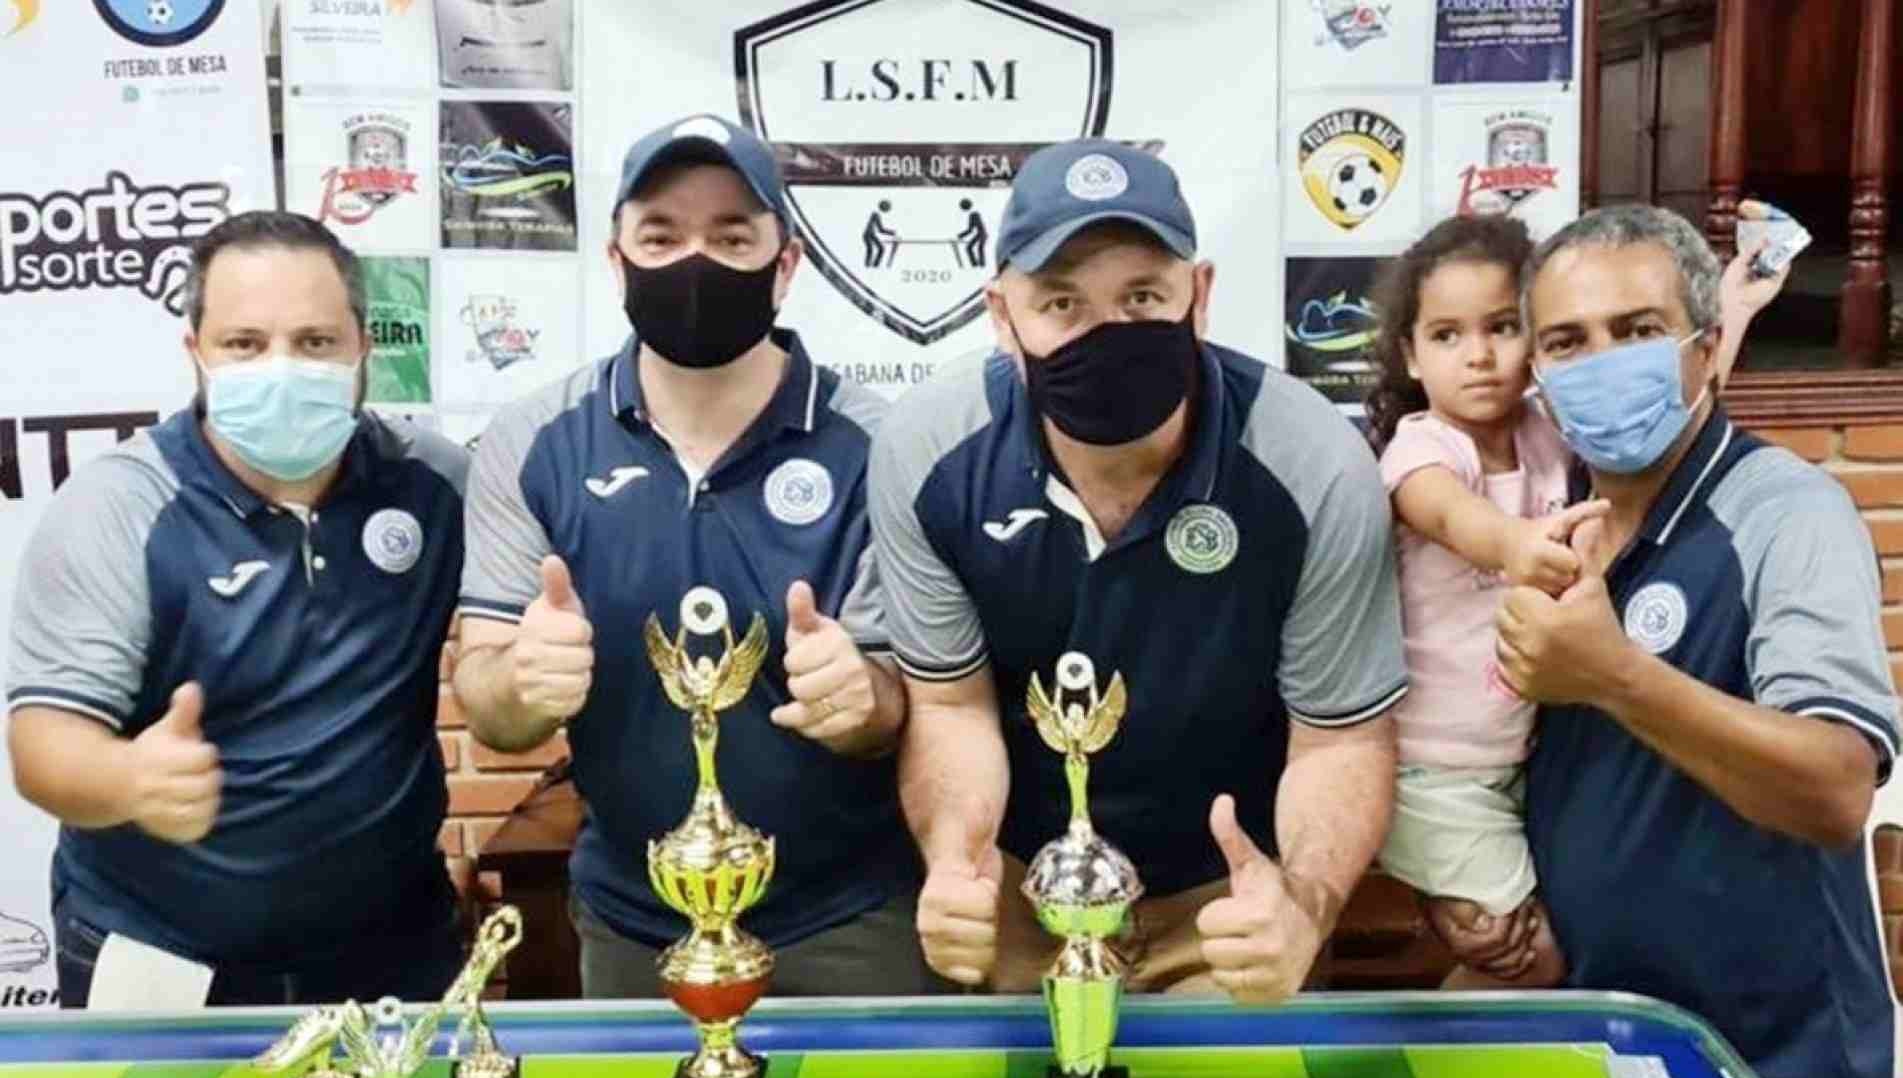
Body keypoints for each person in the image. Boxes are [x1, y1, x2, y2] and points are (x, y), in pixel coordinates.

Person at [869, 139, 1406, 1000]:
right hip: (1021, 896)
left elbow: (1339, 738)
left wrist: (1302, 905)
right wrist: (954, 862)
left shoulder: (1313, 463)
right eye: (1062, 303)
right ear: (1001, 315)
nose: (1107, 333)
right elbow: (948, 705)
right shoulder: (927, 447)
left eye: (1142, 296)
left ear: (1200, 296)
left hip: (1232, 903)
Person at [452, 114, 933, 997]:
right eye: (661, 237)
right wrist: (521, 681)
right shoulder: (531, 440)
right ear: (617, 259)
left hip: (850, 921)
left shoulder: (881, 444)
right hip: (633, 926)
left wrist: (864, 698)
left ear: (785, 266)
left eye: (732, 237)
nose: (694, 262)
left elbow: (915, 702)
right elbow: (488, 704)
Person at [1493, 203, 1895, 1078]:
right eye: (1567, 342)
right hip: (1602, 1053)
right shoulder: (1555, 532)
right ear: (1536, 372)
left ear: (1705, 347)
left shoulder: (1784, 513)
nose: (1602, 363)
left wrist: (1615, 674)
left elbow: (1835, 787)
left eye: (1635, 330)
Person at [6, 210, 467, 1008]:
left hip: (392, 957)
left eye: (315, 342)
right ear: (196, 351)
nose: (282, 369)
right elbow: (42, 746)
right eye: (244, 344)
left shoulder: (434, 482)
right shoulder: (120, 506)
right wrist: (128, 779)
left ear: (364, 346)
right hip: (160, 958)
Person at [1364, 213, 1789, 988]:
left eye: (1500, 328)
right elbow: (1446, 514)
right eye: (1447, 335)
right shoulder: (1422, 447)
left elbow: (1670, 410)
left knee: (1527, 942)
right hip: (1435, 773)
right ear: (1410, 355)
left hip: (1522, 756)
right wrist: (1512, 545)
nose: (1478, 355)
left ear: (1533, 343)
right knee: (1527, 954)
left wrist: (1730, 311)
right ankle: (1433, 1058)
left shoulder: (1543, 432)